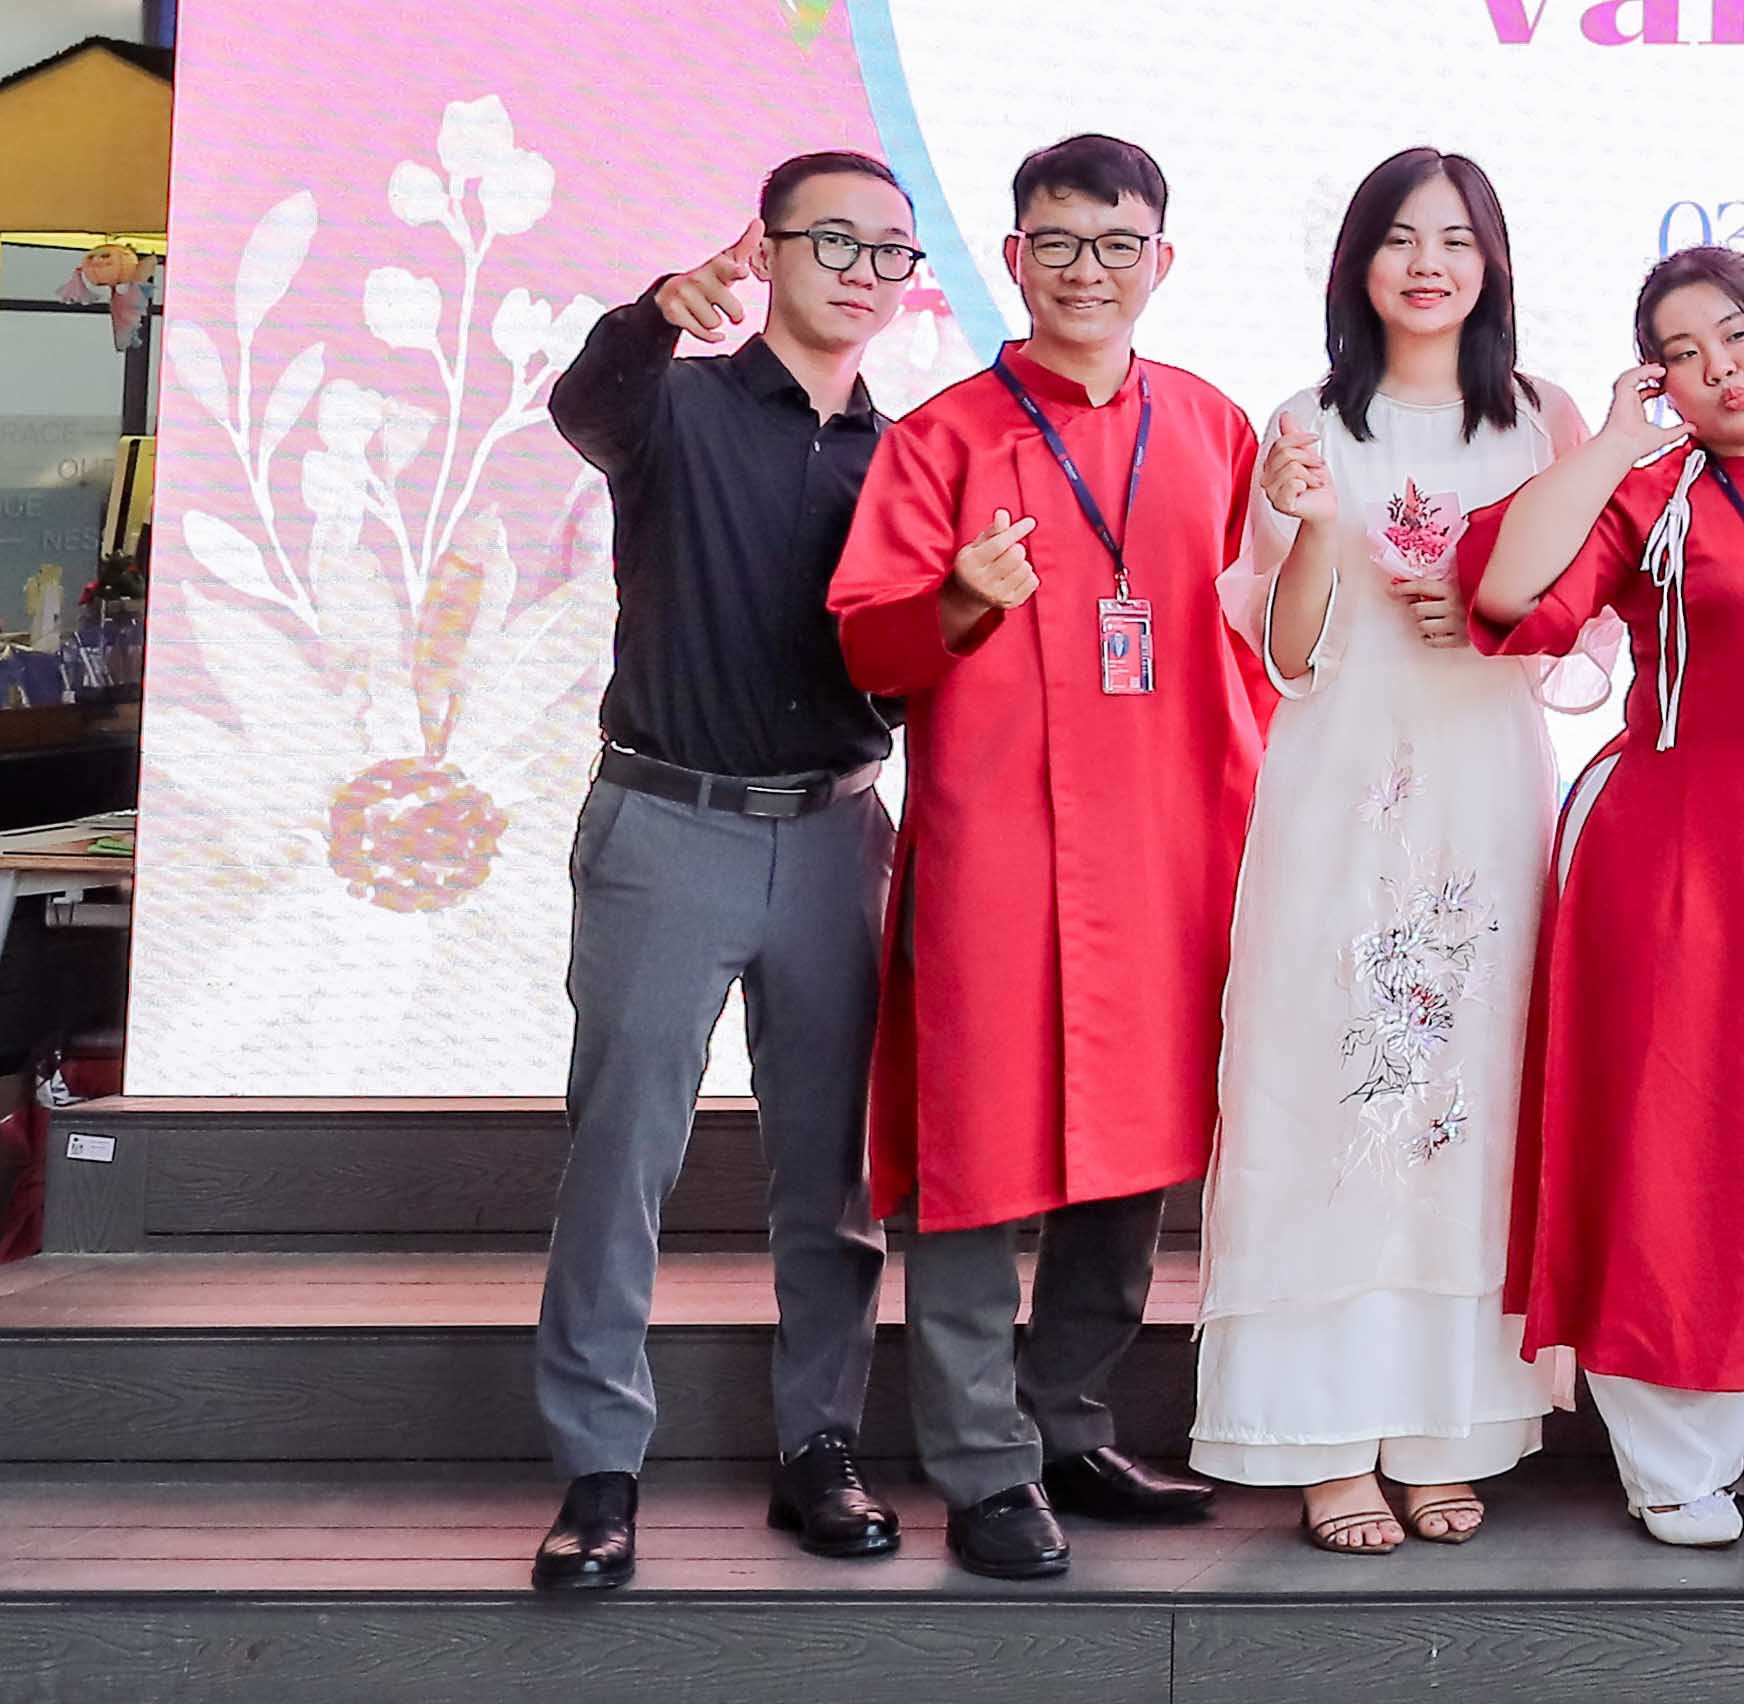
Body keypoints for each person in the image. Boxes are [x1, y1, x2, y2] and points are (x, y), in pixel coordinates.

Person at [826, 133, 1267, 1582]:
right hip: (999, 854)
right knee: (978, 1158)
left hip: (1169, 843)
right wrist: (957, 599)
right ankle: (981, 1462)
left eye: (1117, 244)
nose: (1088, 272)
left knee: (1139, 1150)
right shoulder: (941, 440)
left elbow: (1266, 639)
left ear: (1161, 261)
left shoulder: (1212, 427)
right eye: (1059, 244)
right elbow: (868, 647)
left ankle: (1068, 1419)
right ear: (1013, 259)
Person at [527, 153, 916, 1595]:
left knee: (832, 1171)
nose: (863, 271)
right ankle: (598, 1469)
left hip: (836, 835)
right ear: (768, 246)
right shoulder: (674, 403)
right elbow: (585, 406)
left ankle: (821, 1444)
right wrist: (655, 311)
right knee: (623, 1154)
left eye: (890, 251)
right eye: (834, 240)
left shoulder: (908, 458)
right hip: (665, 823)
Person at [1461, 245, 1744, 1545]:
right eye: (1683, 355)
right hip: (1674, 850)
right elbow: (1504, 592)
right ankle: (1674, 1439)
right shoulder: (1648, 493)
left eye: (1737, 335)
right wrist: (1612, 445)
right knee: (1679, 1140)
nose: (1720, 369)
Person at [1195, 148, 1587, 1549]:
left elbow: (1579, 618)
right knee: (1328, 1089)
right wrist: (1310, 527)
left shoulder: (1541, 420)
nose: (1430, 264)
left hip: (1484, 789)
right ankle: (1323, 1435)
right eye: (1402, 239)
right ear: (1358, 262)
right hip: (1340, 788)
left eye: (1457, 240)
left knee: (1466, 1098)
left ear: (1493, 265)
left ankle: (1444, 1423)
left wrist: (1495, 623)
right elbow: (1288, 652)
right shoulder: (1303, 422)